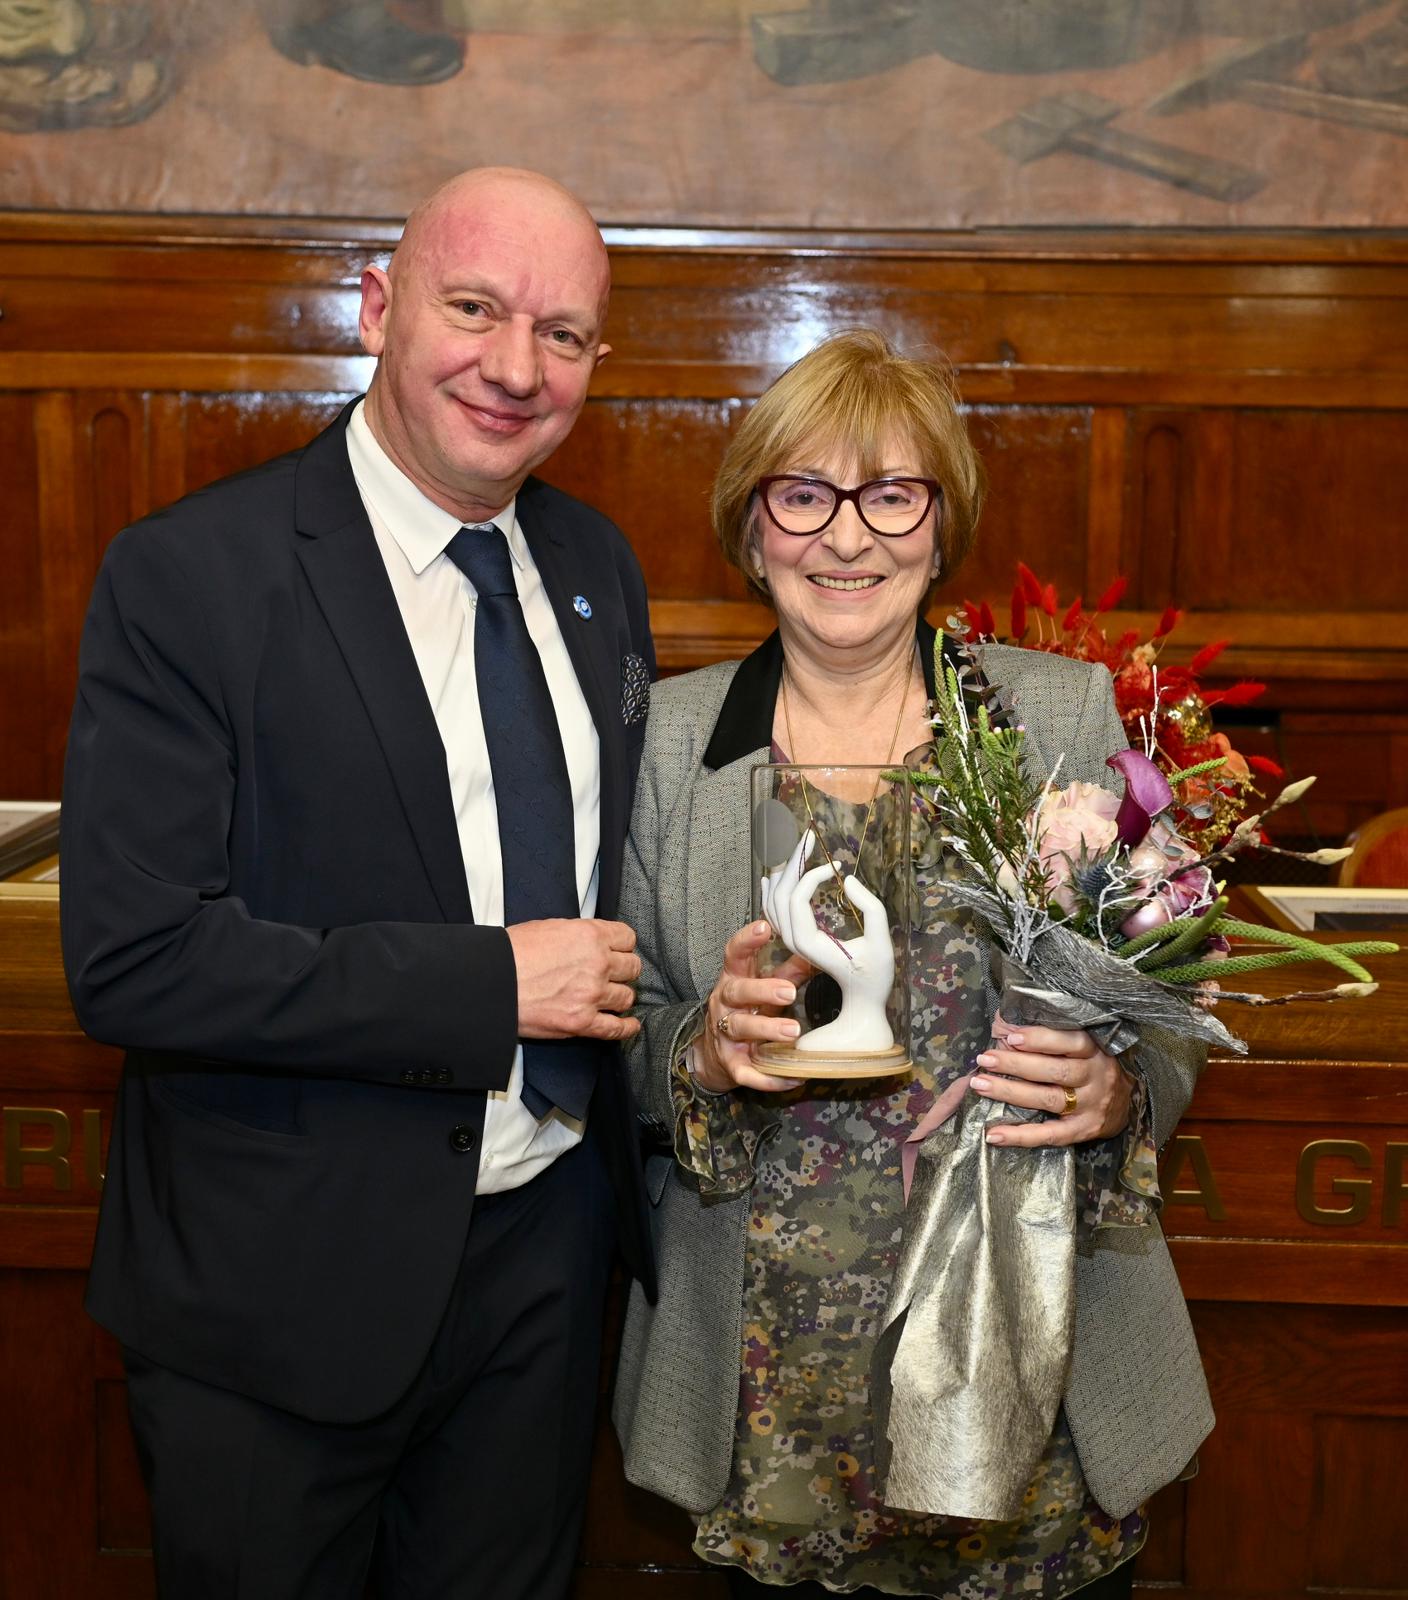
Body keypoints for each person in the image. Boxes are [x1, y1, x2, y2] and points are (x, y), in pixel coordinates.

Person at [61, 166, 654, 1600]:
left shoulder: (594, 566)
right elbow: (136, 959)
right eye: (475, 309)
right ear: (379, 308)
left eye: (563, 334)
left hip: (544, 1273)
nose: (516, 368)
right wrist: (490, 986)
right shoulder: (191, 575)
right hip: (279, 1296)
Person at [611, 329, 1213, 1598]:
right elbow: (612, 1023)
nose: (847, 537)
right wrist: (696, 1051)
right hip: (767, 1378)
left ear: (940, 531)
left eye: (890, 494)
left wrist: (1118, 1088)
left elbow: (1162, 1001)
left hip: (1022, 1354)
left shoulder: (1056, 713)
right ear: (753, 528)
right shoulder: (665, 741)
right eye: (803, 494)